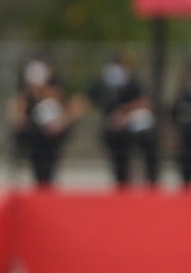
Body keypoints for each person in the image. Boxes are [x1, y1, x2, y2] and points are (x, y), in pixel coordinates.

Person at [89, 54, 158, 188]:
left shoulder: (134, 84)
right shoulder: (105, 86)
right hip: (116, 132)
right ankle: (122, 184)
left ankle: (149, 183)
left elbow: (144, 102)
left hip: (136, 129)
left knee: (146, 156)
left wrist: (124, 112)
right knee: (120, 162)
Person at [9, 58, 75, 188]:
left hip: (51, 138)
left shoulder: (54, 88)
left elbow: (65, 110)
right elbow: (18, 115)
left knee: (49, 166)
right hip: (36, 137)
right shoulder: (26, 96)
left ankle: (47, 185)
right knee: (37, 166)